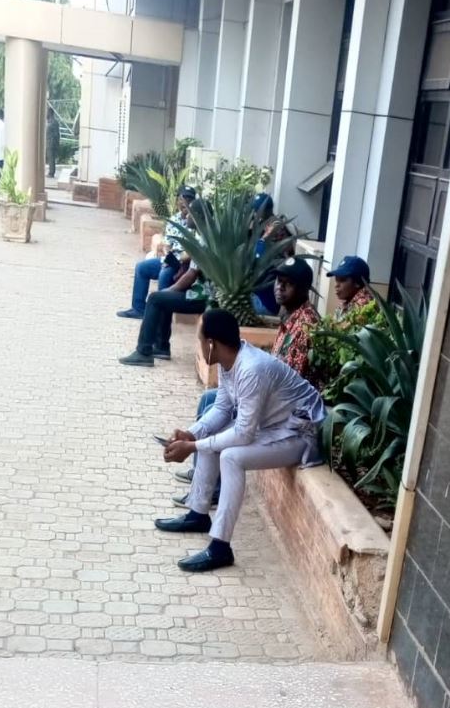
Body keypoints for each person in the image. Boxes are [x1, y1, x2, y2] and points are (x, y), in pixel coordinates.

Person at [154, 309, 326, 572]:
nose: (198, 347)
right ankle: (198, 515)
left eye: (200, 340)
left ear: (211, 343)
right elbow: (222, 408)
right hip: (272, 426)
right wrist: (192, 434)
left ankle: (220, 548)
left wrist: (193, 447)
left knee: (231, 456)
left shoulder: (251, 369)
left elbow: (243, 434)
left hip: (300, 434)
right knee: (214, 440)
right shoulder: (228, 362)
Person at [171, 256, 320, 506]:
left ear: (304, 289)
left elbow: (292, 377)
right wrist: (191, 435)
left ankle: (211, 484)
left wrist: (196, 443)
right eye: (278, 281)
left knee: (215, 412)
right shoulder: (289, 319)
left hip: (285, 413)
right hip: (264, 393)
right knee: (212, 403)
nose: (279, 288)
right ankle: (201, 479)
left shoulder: (306, 325)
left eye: (288, 284)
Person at [118, 200, 210, 366]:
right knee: (163, 297)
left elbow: (191, 275)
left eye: (189, 213)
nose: (186, 215)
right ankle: (161, 347)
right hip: (201, 293)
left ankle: (144, 352)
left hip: (203, 298)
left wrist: (169, 290)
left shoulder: (203, 241)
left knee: (156, 298)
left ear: (197, 217)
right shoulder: (206, 236)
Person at [117, 186, 196, 320]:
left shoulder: (194, 222)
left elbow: (193, 251)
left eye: (189, 199)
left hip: (184, 264)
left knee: (164, 274)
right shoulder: (174, 219)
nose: (185, 202)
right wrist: (167, 254)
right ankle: (139, 309)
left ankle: (160, 315)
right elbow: (167, 242)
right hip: (170, 259)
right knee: (141, 268)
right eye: (183, 198)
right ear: (178, 200)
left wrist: (177, 260)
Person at [328, 255, 373, 319]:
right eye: (336, 280)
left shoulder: (362, 306)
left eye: (342, 280)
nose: (336, 285)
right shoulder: (349, 301)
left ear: (357, 282)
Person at [46, 108, 60, 179]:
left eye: (47, 112)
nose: (46, 114)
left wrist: (55, 144)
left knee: (51, 158)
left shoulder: (54, 122)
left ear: (50, 113)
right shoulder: (49, 122)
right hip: (48, 142)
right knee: (49, 158)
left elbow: (56, 135)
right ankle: (50, 171)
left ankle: (51, 173)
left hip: (52, 143)